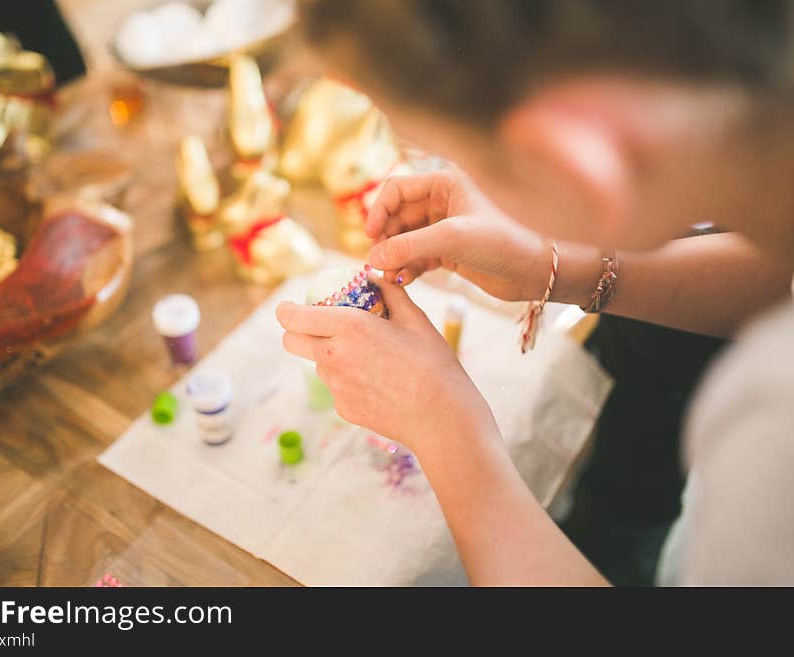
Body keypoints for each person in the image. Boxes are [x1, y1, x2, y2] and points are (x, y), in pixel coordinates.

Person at [277, 0, 794, 584]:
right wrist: (558, 266)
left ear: (573, 162)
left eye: (463, 158)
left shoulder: (772, 432)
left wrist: (443, 427)